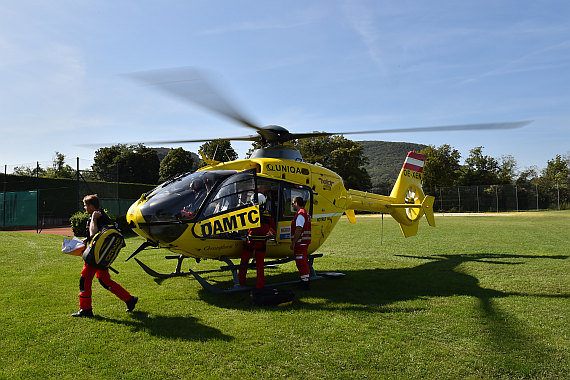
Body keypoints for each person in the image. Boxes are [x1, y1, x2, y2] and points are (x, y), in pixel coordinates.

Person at [72, 194, 138, 317]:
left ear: (91, 206)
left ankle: (86, 310)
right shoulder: (100, 215)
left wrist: (93, 219)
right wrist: (85, 241)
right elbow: (97, 237)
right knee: (104, 280)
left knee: (85, 280)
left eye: (85, 205)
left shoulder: (98, 216)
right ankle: (129, 300)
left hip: (95, 257)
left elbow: (93, 234)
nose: (84, 208)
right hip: (101, 256)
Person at [238, 193, 275, 289]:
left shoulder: (250, 213)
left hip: (250, 242)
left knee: (244, 263)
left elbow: (243, 226)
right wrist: (266, 235)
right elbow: (273, 229)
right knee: (260, 266)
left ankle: (241, 283)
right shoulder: (268, 214)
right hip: (261, 243)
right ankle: (260, 285)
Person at [290, 196, 312, 289]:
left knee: (301, 262)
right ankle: (304, 280)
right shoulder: (305, 213)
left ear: (296, 204)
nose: (292, 206)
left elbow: (299, 229)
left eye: (292, 204)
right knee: (302, 262)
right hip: (303, 242)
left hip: (300, 243)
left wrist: (293, 242)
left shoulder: (300, 215)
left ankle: (305, 283)